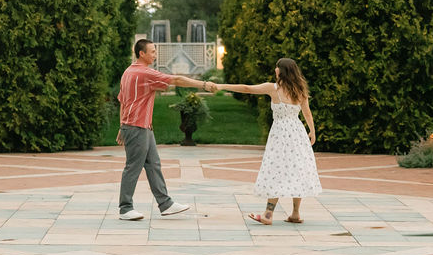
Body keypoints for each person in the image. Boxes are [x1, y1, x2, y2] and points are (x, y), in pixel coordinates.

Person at [117, 39, 217, 220]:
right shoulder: (145, 73)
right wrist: (202, 85)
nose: (155, 55)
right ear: (142, 53)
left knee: (153, 165)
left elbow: (123, 101)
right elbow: (177, 80)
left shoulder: (128, 72)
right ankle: (125, 208)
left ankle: (165, 204)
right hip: (136, 126)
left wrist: (122, 126)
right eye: (153, 52)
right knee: (133, 167)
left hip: (140, 126)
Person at [217, 58, 321, 224]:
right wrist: (312, 131)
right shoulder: (300, 90)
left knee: (276, 170)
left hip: (280, 135)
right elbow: (307, 113)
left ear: (281, 71)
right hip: (298, 133)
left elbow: (247, 89)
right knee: (298, 170)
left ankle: (267, 215)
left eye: (277, 67)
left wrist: (222, 86)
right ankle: (295, 214)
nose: (275, 69)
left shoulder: (273, 88)